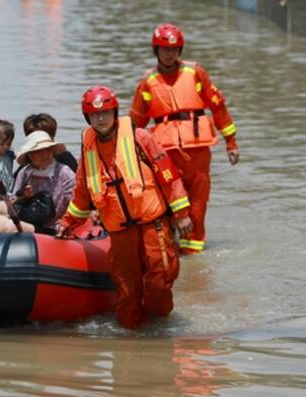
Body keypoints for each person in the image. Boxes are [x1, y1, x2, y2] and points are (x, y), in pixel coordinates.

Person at [56, 85, 193, 330]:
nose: (100, 118)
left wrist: (181, 214)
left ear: (115, 112)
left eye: (105, 113)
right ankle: (129, 344)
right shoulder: (89, 149)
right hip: (120, 232)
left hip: (153, 223)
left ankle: (161, 332)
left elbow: (168, 173)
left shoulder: (140, 138)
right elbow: (81, 193)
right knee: (127, 290)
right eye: (95, 115)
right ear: (88, 118)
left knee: (159, 282)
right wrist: (67, 222)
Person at [130, 23, 240, 254]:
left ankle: (193, 258)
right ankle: (168, 251)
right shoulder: (147, 81)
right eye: (164, 49)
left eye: (174, 49)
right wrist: (127, 153)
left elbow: (217, 106)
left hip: (197, 151)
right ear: (156, 50)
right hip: (165, 153)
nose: (169, 53)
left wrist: (231, 142)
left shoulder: (195, 72)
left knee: (198, 205)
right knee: (167, 204)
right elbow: (136, 122)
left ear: (179, 50)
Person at [0, 130, 75, 234]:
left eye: (48, 149)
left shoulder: (64, 173)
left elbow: (77, 201)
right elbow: (13, 202)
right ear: (30, 155)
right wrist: (24, 197)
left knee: (10, 227)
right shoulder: (25, 172)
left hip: (51, 228)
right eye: (39, 151)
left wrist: (67, 222)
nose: (45, 154)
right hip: (26, 219)